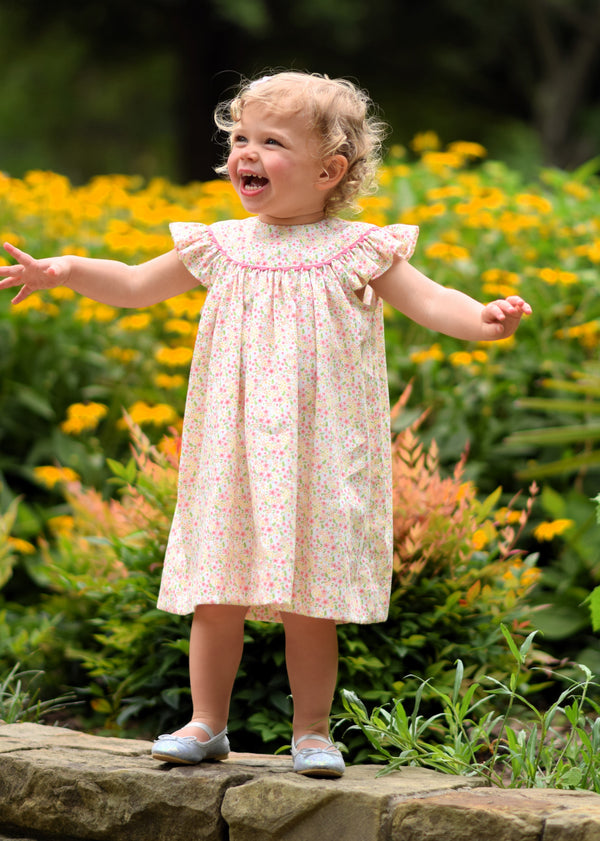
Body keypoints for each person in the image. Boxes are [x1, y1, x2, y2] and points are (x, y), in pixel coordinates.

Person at [0, 71, 531, 778]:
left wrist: (484, 321)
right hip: (233, 448)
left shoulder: (358, 249)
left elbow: (433, 303)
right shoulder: (221, 245)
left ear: (328, 169)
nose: (244, 153)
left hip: (317, 449)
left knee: (311, 598)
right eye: (239, 138)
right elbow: (133, 285)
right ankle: (205, 722)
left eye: (270, 141)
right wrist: (65, 269)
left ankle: (311, 731)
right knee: (217, 588)